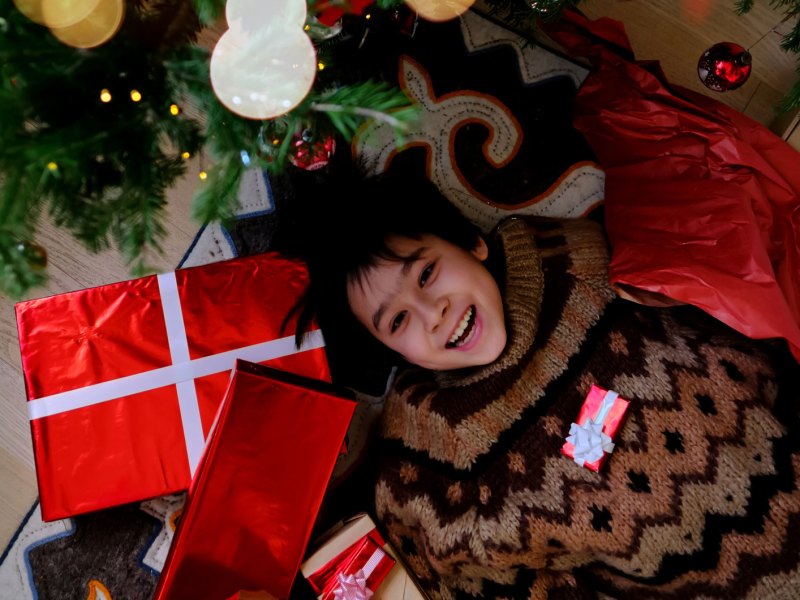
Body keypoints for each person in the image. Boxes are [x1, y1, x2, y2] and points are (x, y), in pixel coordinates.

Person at [291, 167, 800, 599]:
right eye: (397, 322)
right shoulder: (427, 468)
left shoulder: (584, 264)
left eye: (426, 275)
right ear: (390, 351)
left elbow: (752, 325)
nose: (432, 313)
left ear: (471, 242)